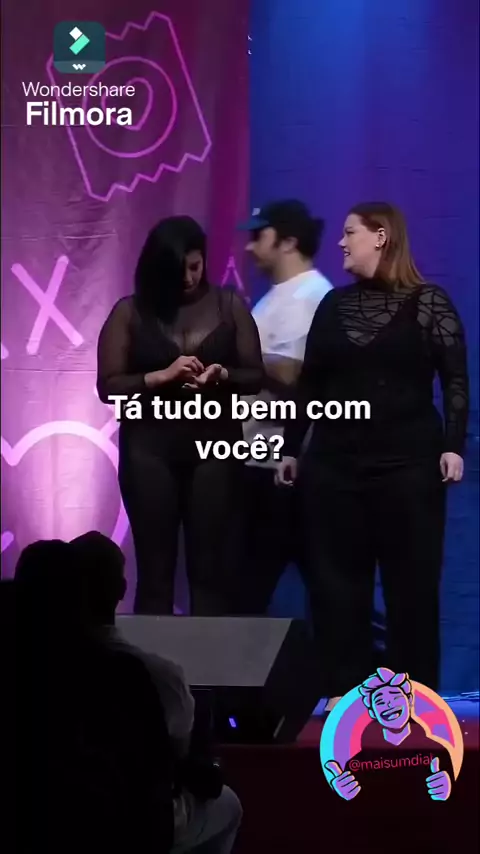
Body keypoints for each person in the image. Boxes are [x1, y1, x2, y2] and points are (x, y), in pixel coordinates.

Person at [277, 201, 469, 709]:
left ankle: (415, 700)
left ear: (381, 236)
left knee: (412, 586)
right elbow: (310, 385)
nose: (341, 243)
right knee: (338, 587)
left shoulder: (429, 302)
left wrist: (453, 446)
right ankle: (346, 696)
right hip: (336, 467)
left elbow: (455, 378)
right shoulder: (333, 305)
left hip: (408, 465)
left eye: (350, 233)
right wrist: (291, 448)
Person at [96, 216, 264, 615]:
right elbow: (108, 386)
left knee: (212, 570)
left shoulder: (229, 305)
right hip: (149, 449)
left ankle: (212, 657)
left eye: (196, 266)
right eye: (179, 270)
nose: (189, 278)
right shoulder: (130, 312)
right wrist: (160, 377)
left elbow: (255, 375)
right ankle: (149, 656)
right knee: (155, 572)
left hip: (215, 447)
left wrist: (221, 375)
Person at [70, 531, 243, 854]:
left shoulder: (30, 663)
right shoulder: (160, 674)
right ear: (122, 589)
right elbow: (177, 753)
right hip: (133, 818)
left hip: (57, 811)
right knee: (226, 804)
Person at [237, 200, 332, 613]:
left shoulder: (308, 297)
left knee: (256, 589)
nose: (248, 246)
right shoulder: (278, 297)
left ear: (288, 242)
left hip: (283, 468)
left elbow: (296, 376)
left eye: (259, 236)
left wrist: (231, 357)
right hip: (264, 461)